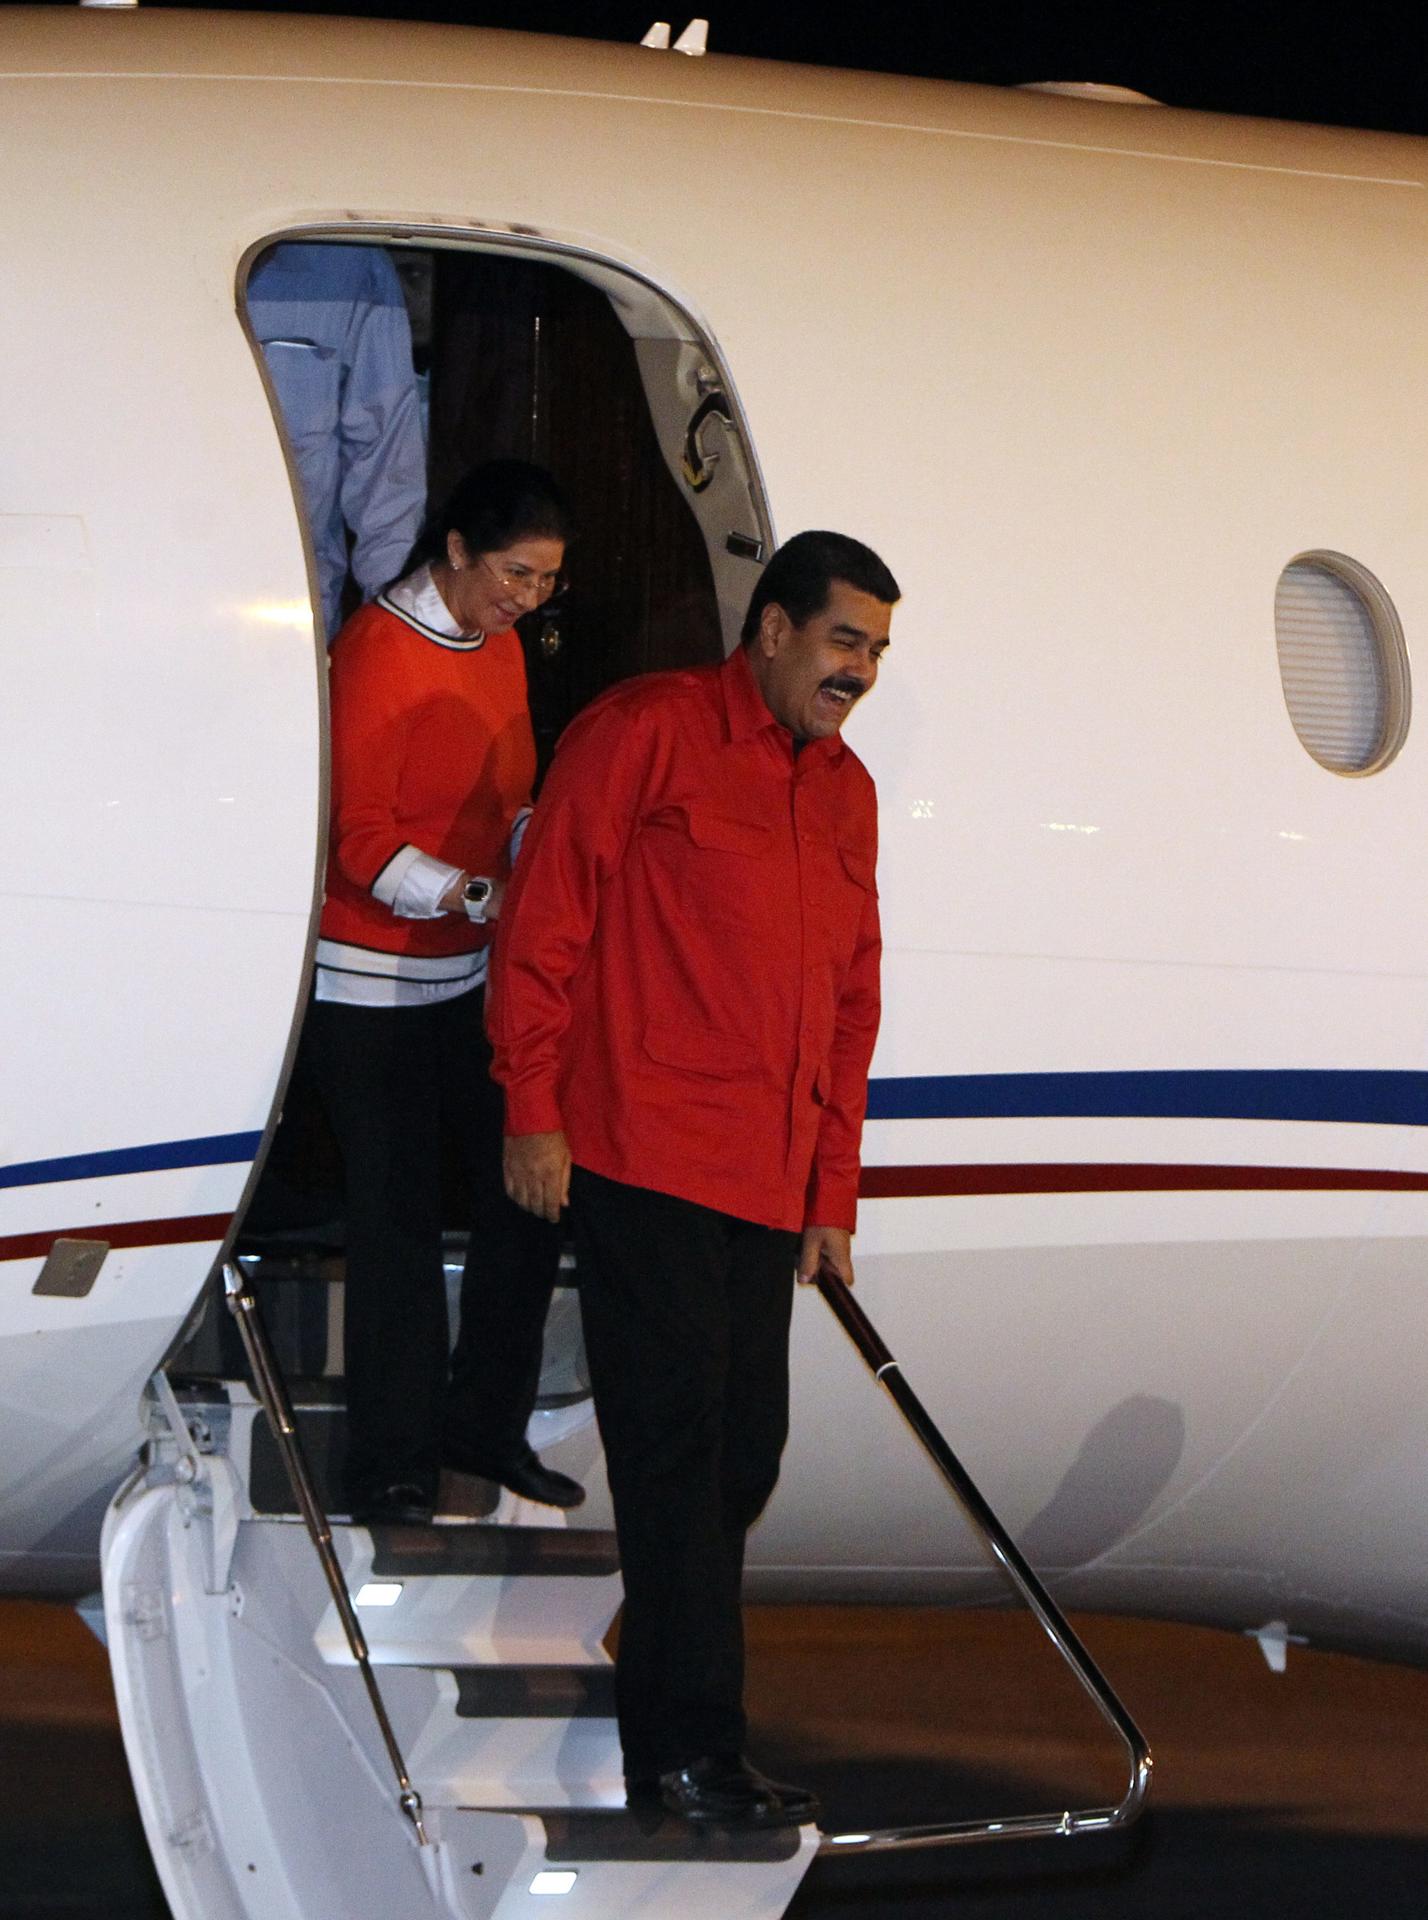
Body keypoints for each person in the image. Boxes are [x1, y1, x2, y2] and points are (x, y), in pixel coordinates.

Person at [489, 530, 899, 1828]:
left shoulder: (846, 791)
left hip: (766, 1181)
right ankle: (683, 1756)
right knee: (676, 1459)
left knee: (742, 1461)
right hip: (644, 1154)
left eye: (878, 652)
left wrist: (832, 1190)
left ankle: (683, 1727)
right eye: (845, 642)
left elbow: (851, 1002)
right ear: (771, 629)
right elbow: (547, 916)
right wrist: (533, 1107)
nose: (861, 674)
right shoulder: (647, 734)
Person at [308, 458, 584, 1525]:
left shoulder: (502, 649)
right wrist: (479, 894)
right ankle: (393, 1461)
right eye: (516, 573)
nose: (527, 597)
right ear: (457, 551)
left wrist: (534, 855)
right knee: (397, 1224)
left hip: (463, 973)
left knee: (530, 1194)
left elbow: (512, 796)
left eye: (547, 581)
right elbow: (359, 840)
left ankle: (484, 1425)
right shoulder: (376, 652)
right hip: (367, 982)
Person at [247, 243, 427, 643]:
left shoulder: (349, 265)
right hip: (137, 603)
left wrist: (392, 637)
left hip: (290, 630)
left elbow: (386, 475)